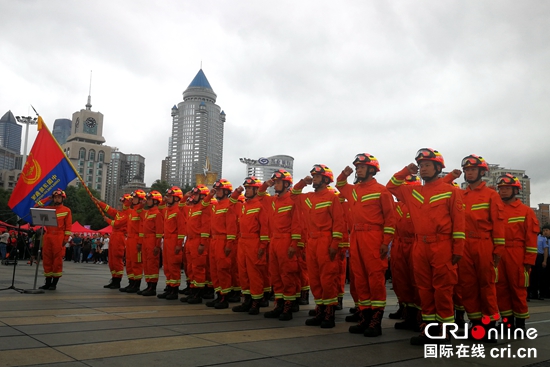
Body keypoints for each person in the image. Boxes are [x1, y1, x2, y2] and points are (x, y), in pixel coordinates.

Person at [386, 148, 465, 345]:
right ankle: (428, 330)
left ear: (438, 167)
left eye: (427, 165)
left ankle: (445, 332)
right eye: (420, 166)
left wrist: (458, 250)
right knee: (424, 289)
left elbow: (459, 223)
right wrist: (407, 170)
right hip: (420, 245)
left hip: (442, 245)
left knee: (443, 289)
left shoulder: (451, 191)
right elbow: (391, 186)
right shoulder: (414, 192)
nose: (423, 168)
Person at [336, 153, 395, 337]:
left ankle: (375, 322)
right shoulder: (354, 190)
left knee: (375, 279)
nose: (358, 170)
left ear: (371, 169)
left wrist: (386, 242)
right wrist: (344, 174)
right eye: (357, 167)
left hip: (374, 237)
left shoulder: (381, 190)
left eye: (361, 167)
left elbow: (390, 219)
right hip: (356, 237)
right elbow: (339, 185)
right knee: (359, 278)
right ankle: (365, 318)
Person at [454, 154, 506, 340]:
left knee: (487, 285)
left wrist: (498, 248)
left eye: (473, 169)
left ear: (481, 172)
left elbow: (498, 223)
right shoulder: (461, 195)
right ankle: (476, 325)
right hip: (465, 246)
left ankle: (490, 326)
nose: (469, 173)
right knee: (467, 286)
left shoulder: (491, 195)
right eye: (466, 170)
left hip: (484, 243)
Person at [291, 164, 346, 328]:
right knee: (315, 279)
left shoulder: (332, 197)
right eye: (313, 176)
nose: (314, 179)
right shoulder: (308, 197)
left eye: (316, 177)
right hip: (312, 242)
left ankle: (329, 314)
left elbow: (339, 222)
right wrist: (303, 182)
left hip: (326, 241)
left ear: (325, 179)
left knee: (327, 278)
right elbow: (294, 194)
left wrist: (335, 244)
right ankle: (320, 310)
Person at [496, 174, 539, 330]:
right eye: (501, 189)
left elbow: (531, 238)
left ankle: (520, 325)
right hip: (500, 254)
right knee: (501, 289)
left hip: (517, 253)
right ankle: (507, 323)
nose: (503, 191)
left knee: (518, 288)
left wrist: (529, 260)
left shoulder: (526, 211)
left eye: (507, 188)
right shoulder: (497, 209)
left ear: (515, 190)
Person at [259, 169, 302, 321]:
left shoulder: (293, 200)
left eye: (278, 182)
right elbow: (260, 195)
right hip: (274, 241)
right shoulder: (273, 201)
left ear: (286, 184)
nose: (275, 185)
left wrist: (294, 244)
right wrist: (266, 184)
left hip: (286, 241)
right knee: (275, 275)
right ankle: (279, 304)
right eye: (275, 182)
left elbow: (297, 224)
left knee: (287, 274)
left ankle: (288, 307)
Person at [230, 177, 271, 315]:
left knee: (255, 274)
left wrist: (262, 246)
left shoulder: (260, 206)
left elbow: (265, 229)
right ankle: (246, 300)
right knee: (243, 273)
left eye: (249, 188)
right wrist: (237, 191)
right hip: (243, 242)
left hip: (254, 242)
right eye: (246, 188)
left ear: (255, 190)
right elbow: (230, 202)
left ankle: (255, 302)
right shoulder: (244, 206)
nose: (246, 190)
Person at [207, 179, 238, 309]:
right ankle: (218, 295)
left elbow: (231, 227)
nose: (217, 192)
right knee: (214, 270)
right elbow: (203, 204)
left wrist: (229, 244)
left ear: (226, 191)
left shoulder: (229, 205)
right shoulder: (215, 206)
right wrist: (210, 194)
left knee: (223, 270)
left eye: (219, 190)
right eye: (216, 190)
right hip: (214, 241)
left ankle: (224, 297)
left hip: (223, 240)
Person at [180, 185, 212, 304]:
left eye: (196, 194)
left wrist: (203, 243)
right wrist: (185, 197)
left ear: (203, 196)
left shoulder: (204, 208)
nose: (193, 197)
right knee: (190, 268)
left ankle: (198, 294)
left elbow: (205, 226)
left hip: (198, 241)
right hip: (190, 240)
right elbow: (180, 207)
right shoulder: (193, 208)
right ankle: (193, 291)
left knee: (198, 268)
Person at [36, 188, 72, 290]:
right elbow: (36, 206)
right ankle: (47, 282)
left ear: (62, 198)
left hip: (59, 236)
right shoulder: (48, 208)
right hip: (47, 236)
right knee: (47, 259)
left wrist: (65, 239)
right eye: (55, 197)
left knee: (57, 260)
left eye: (59, 197)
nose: (57, 199)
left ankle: (54, 283)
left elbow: (68, 226)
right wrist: (48, 198)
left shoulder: (66, 210)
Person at [94, 194, 130, 289]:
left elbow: (117, 224)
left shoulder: (128, 214)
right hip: (114, 236)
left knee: (117, 258)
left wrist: (108, 220)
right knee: (111, 259)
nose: (121, 204)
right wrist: (99, 202)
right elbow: (109, 209)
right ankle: (114, 278)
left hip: (119, 237)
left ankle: (117, 281)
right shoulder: (119, 213)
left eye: (123, 202)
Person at [157, 187, 185, 300]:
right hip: (167, 241)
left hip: (174, 241)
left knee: (173, 266)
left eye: (170, 197)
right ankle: (169, 287)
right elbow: (159, 208)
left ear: (176, 198)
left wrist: (179, 244)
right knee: (167, 266)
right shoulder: (168, 210)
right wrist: (164, 200)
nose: (167, 198)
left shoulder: (179, 211)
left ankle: (174, 290)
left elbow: (181, 230)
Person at [137, 190, 164, 296]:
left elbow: (159, 232)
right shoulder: (148, 213)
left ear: (156, 201)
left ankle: (152, 287)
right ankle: (148, 285)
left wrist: (157, 245)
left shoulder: (157, 214)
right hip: (146, 240)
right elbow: (138, 211)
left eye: (149, 200)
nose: (147, 201)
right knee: (146, 264)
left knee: (152, 264)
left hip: (152, 240)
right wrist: (141, 205)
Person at [121, 189, 146, 293]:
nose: (133, 200)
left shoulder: (142, 212)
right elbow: (125, 207)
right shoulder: (131, 211)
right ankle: (131, 283)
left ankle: (136, 285)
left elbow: (142, 228)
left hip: (136, 240)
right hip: (130, 239)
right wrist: (128, 200)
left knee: (136, 263)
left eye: (135, 198)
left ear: (140, 200)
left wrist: (140, 242)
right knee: (130, 263)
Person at [529, 224, 549, 300]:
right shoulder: (533, 237)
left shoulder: (543, 239)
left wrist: (544, 260)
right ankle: (532, 293)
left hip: (539, 256)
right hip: (532, 256)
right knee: (532, 275)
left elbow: (546, 250)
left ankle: (539, 294)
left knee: (539, 276)